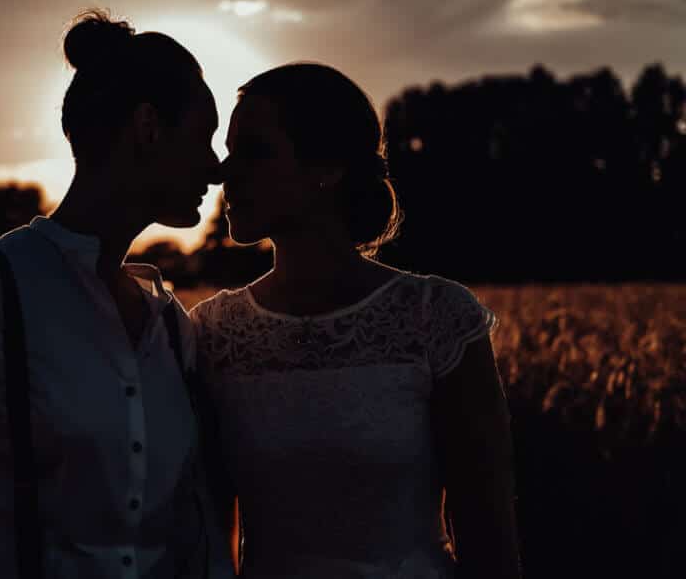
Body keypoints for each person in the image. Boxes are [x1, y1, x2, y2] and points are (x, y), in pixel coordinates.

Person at [0, 9, 235, 579]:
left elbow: (195, 532)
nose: (216, 170)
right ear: (147, 128)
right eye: (204, 137)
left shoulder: (169, 323)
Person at [190, 63, 521, 579]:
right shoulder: (214, 332)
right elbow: (210, 534)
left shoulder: (435, 318)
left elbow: (488, 533)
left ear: (328, 168)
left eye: (254, 151)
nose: (224, 173)